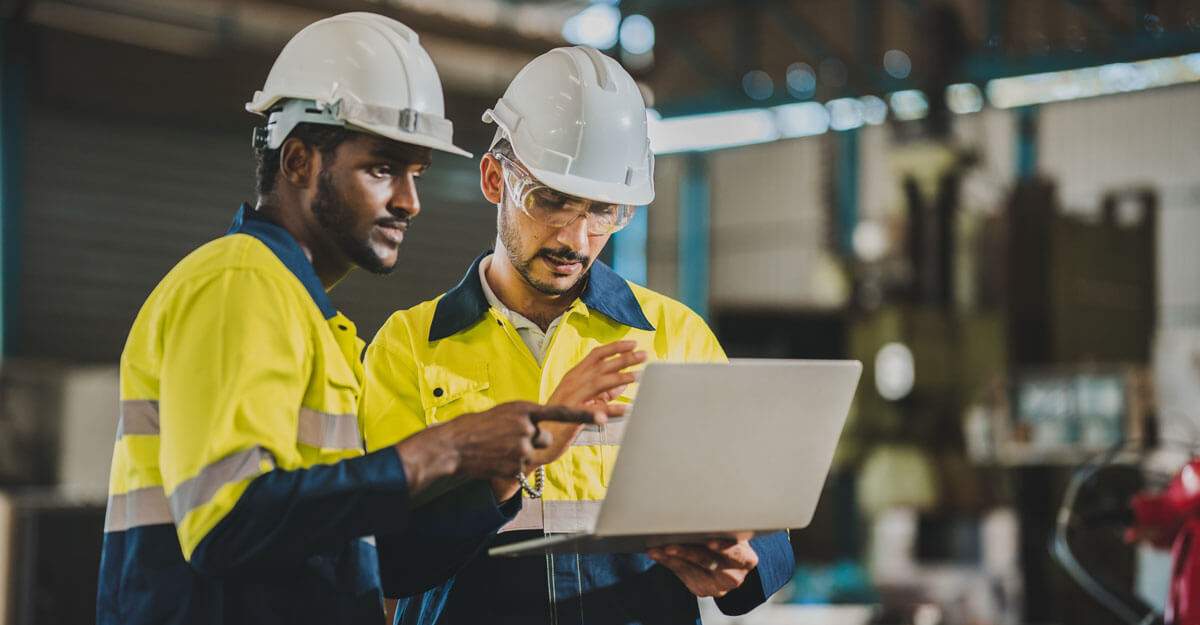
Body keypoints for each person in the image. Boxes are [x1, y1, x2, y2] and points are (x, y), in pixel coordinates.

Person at [96, 14, 601, 625]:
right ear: (301, 161)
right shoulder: (241, 282)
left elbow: (369, 555)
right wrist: (443, 448)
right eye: (383, 168)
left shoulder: (312, 320)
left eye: (416, 174)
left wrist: (498, 472)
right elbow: (226, 523)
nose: (410, 201)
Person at [361, 45, 795, 625]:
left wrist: (743, 566)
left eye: (603, 211)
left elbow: (768, 530)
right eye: (552, 200)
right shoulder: (410, 347)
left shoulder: (675, 337)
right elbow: (391, 560)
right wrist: (509, 466)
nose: (576, 237)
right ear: (495, 179)